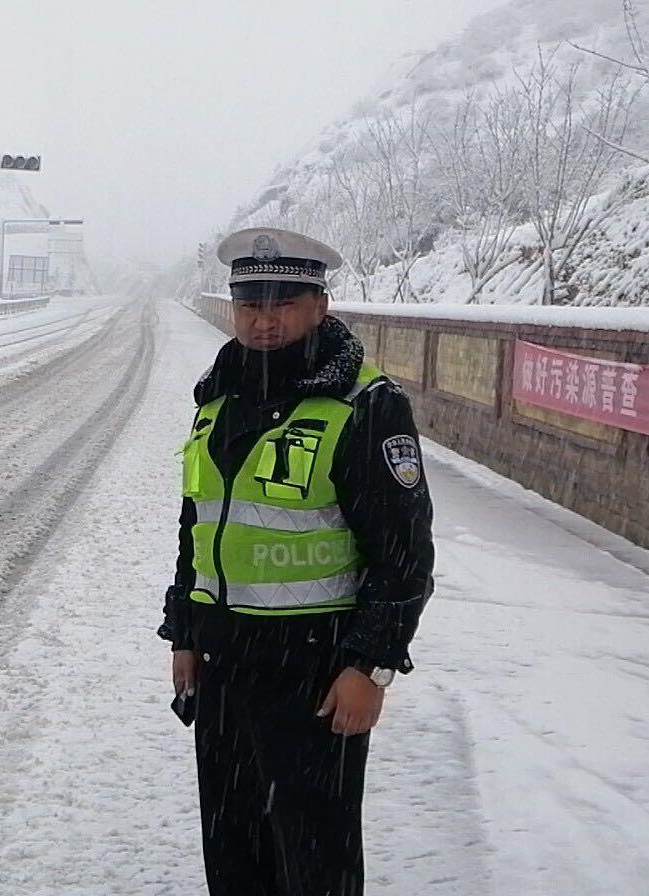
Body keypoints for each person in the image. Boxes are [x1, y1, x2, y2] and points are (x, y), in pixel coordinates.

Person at [157, 226, 435, 896]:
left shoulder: (365, 407)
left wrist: (370, 665)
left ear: (321, 305)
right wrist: (187, 632)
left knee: (314, 865)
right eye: (251, 301)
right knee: (235, 856)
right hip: (226, 669)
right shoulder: (217, 399)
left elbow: (406, 555)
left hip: (314, 675)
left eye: (284, 300)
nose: (265, 317)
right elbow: (200, 524)